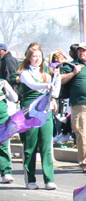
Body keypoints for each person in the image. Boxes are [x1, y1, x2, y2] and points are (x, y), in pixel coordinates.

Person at [18, 42, 61, 190]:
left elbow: (55, 92)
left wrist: (57, 77)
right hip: (30, 113)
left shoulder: (45, 75)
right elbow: (33, 85)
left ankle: (49, 179)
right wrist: (46, 85)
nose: (37, 59)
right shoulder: (25, 73)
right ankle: (30, 179)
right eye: (34, 56)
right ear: (29, 58)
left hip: (45, 112)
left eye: (39, 56)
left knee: (46, 146)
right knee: (30, 147)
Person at [60, 42, 86, 173]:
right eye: (79, 50)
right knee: (83, 134)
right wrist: (73, 73)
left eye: (84, 50)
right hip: (81, 104)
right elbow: (58, 79)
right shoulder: (71, 66)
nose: (81, 53)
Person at [0, 76, 18, 183]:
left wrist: (7, 88)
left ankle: (6, 172)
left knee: (3, 144)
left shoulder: (2, 83)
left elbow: (15, 98)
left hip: (2, 118)